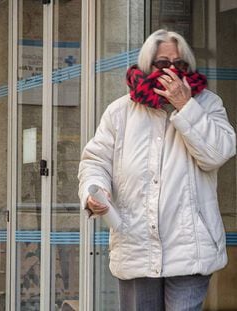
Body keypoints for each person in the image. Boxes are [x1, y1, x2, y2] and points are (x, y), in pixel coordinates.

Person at [78, 29, 236, 311]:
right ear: (146, 66)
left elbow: (217, 154)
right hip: (136, 244)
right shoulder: (119, 112)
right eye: (163, 64)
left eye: (180, 65)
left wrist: (185, 106)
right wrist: (95, 191)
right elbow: (95, 161)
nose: (172, 71)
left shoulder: (208, 104)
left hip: (191, 248)